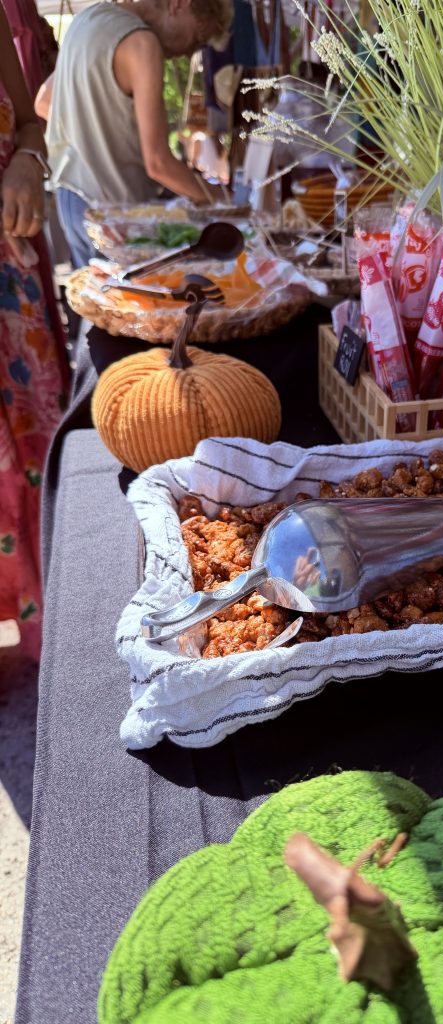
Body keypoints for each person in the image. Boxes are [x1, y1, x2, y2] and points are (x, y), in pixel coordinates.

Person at [39, 0, 233, 269]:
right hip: (113, 212)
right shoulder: (142, 43)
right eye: (197, 38)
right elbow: (158, 163)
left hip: (72, 202)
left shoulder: (86, 20)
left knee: (96, 293)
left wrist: (96, 133)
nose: (189, 53)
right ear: (179, 5)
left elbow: (44, 101)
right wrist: (220, 199)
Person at [0, 2, 70, 658]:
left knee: (39, 452)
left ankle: (51, 646)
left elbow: (29, 123)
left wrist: (26, 156)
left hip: (11, 284)